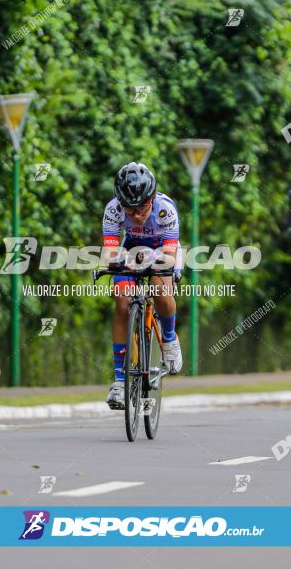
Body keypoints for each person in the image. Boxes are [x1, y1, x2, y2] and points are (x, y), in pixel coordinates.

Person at [101, 162, 182, 410]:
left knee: (160, 288)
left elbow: (169, 255)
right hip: (131, 246)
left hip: (162, 248)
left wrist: (150, 259)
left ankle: (169, 339)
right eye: (130, 209)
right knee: (122, 302)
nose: (136, 215)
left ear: (153, 197)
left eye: (142, 207)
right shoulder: (113, 210)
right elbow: (110, 252)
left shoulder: (165, 210)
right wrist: (118, 261)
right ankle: (119, 380)